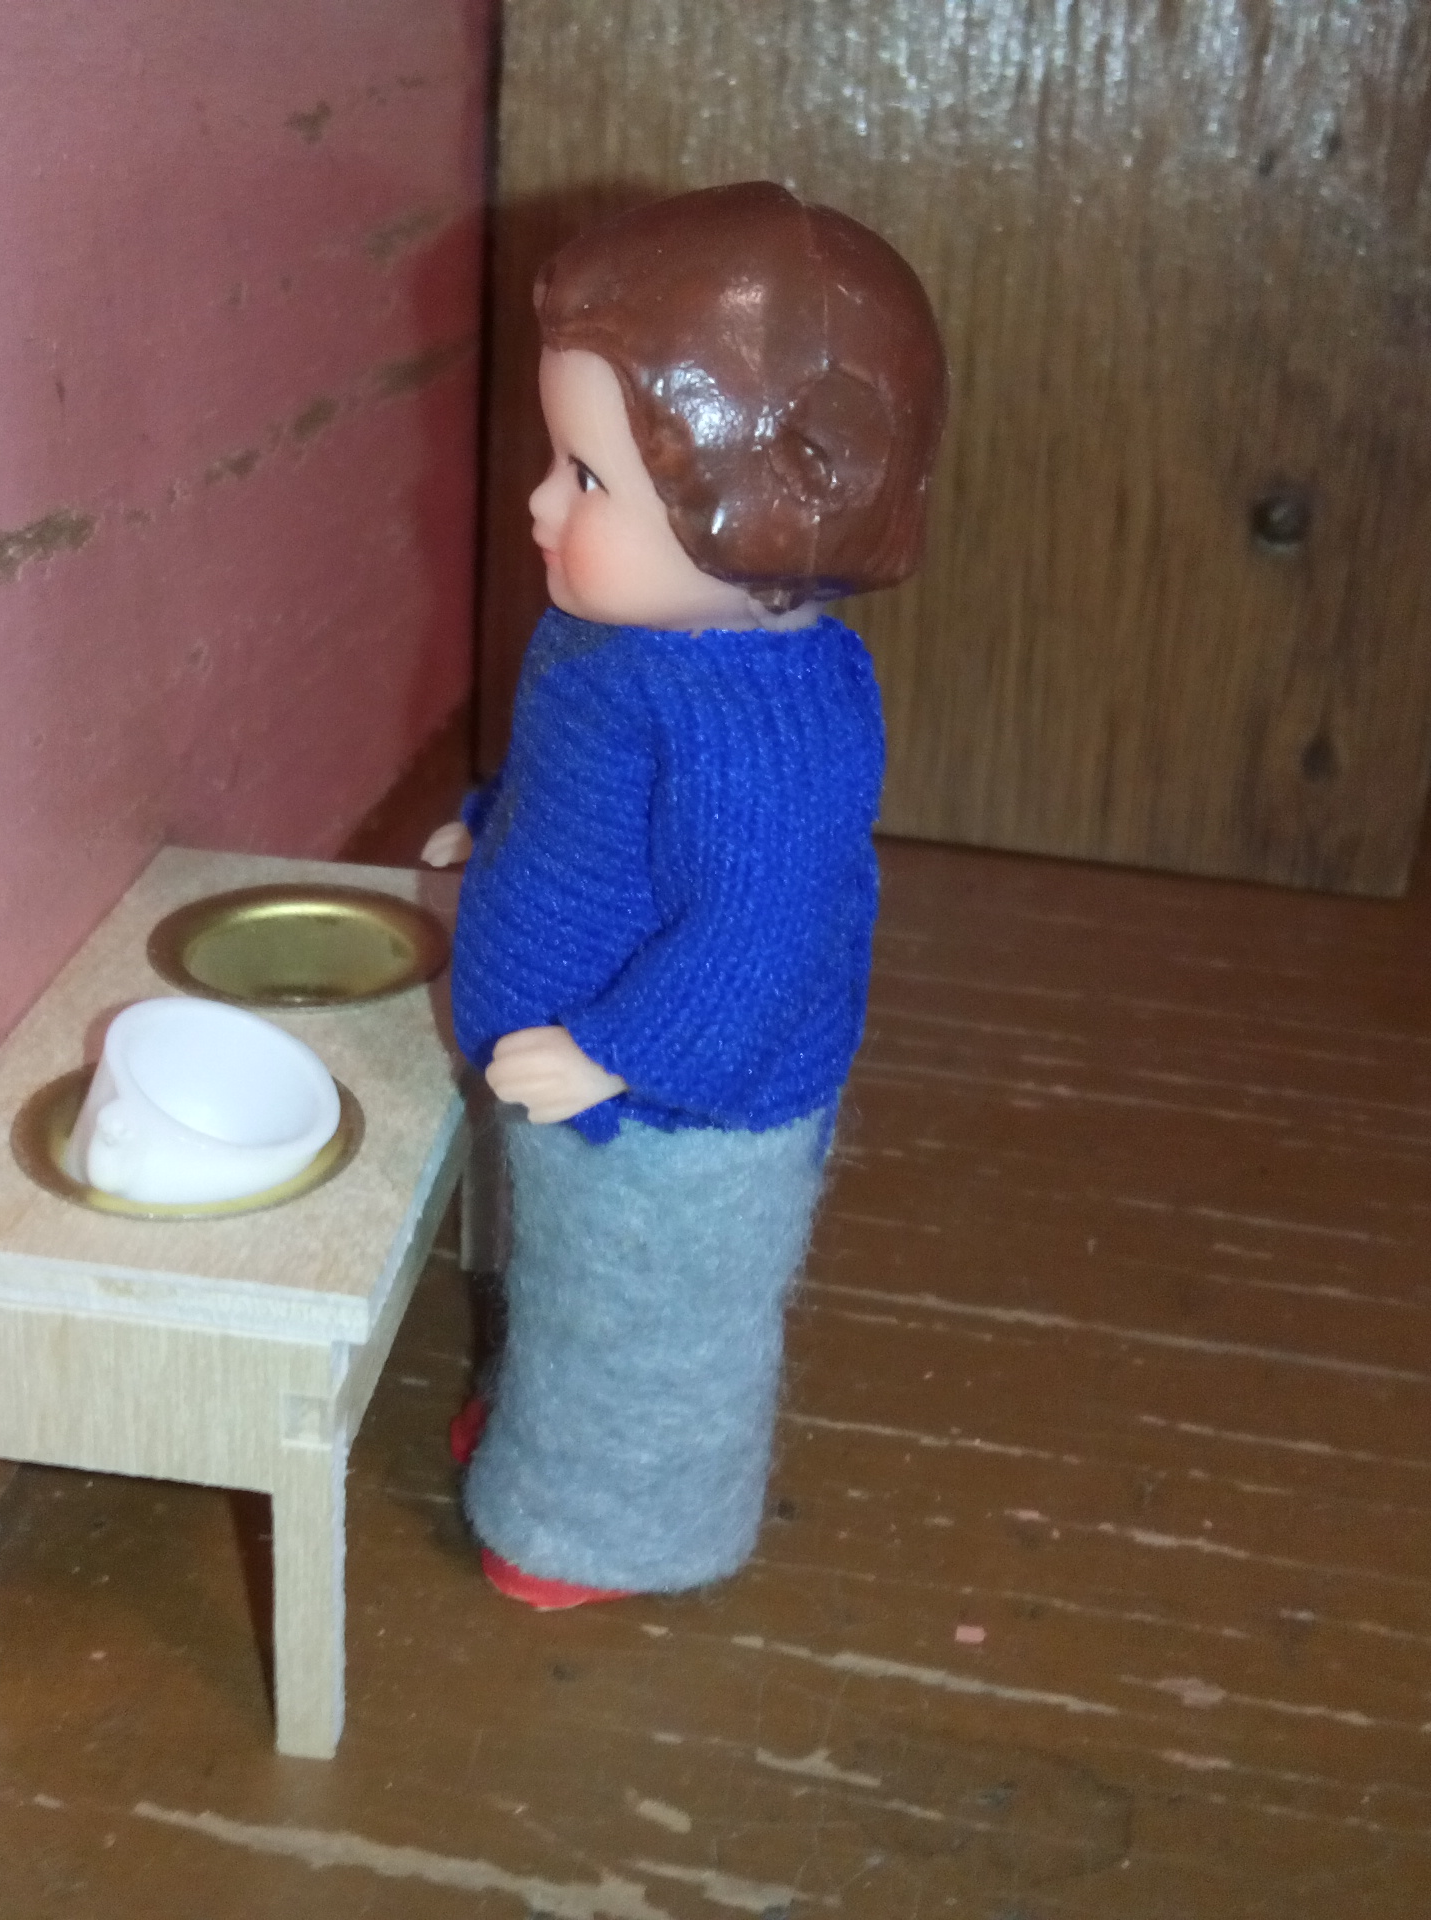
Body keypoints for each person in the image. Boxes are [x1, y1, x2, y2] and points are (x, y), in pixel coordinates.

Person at [423, 180, 946, 1607]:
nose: (542, 505)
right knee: (568, 1283)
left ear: (764, 509)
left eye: (588, 481)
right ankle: (542, 1434)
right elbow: (582, 792)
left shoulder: (763, 726)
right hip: (579, 1077)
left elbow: (759, 932)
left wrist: (620, 1053)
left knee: (649, 1326)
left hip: (678, 1109)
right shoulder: (619, 639)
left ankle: (604, 1525)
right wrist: (497, 836)